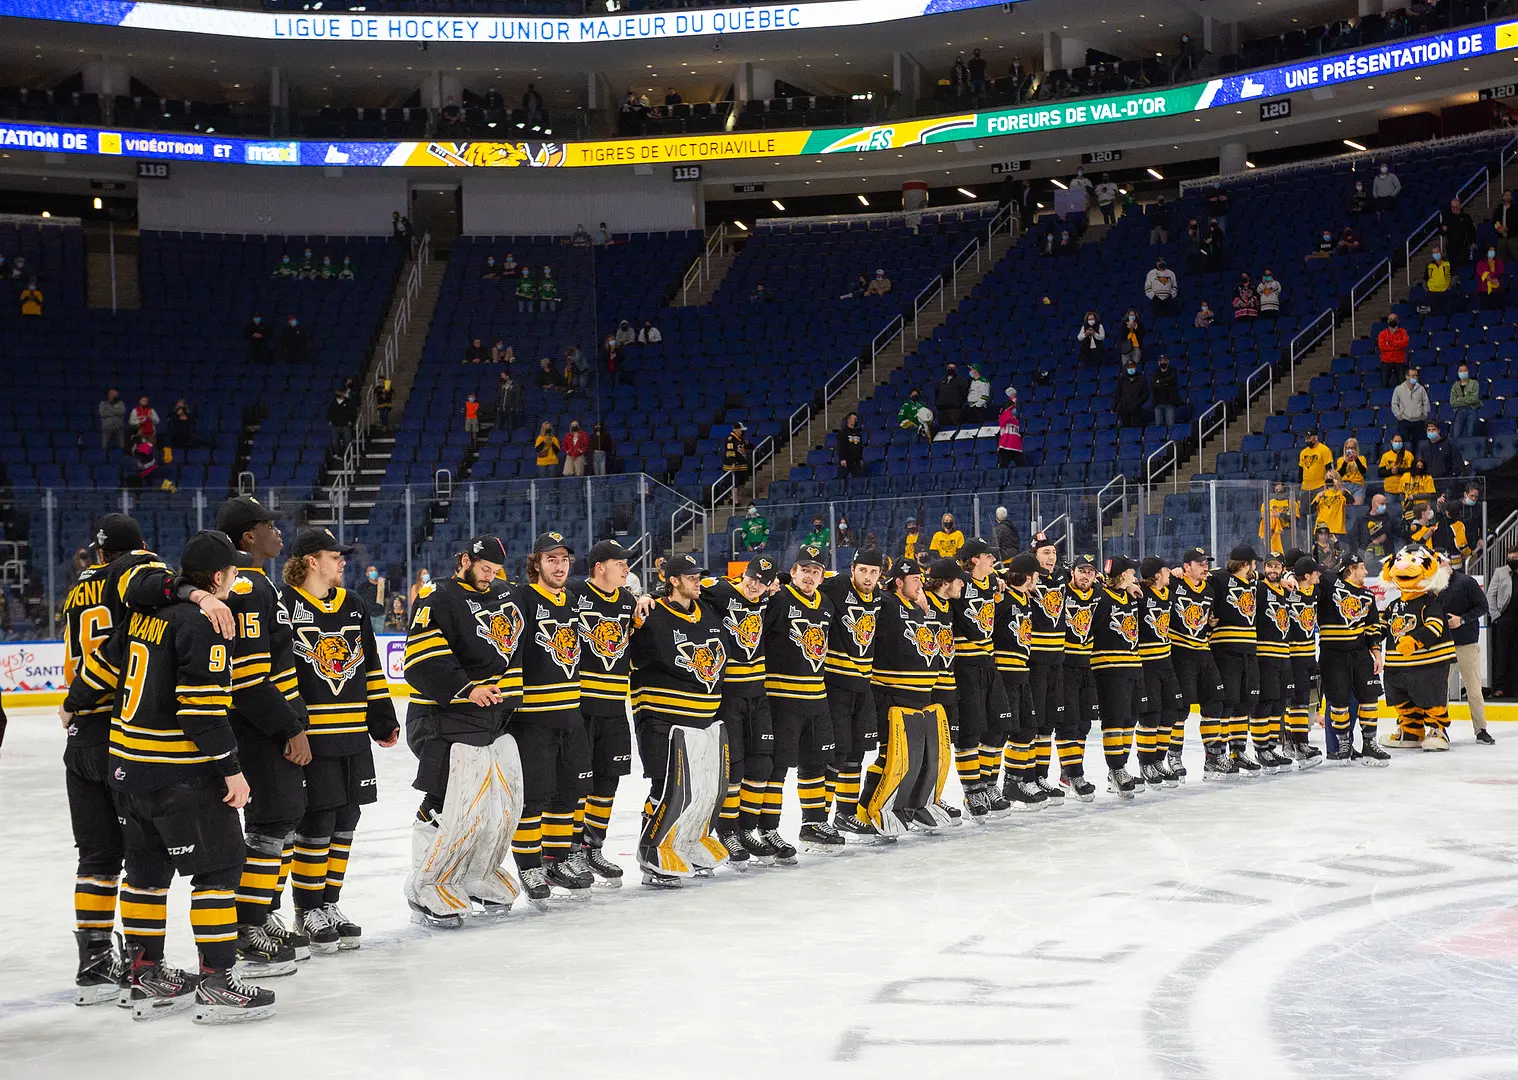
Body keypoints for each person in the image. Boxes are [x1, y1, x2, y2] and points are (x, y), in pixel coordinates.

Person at [64, 529, 276, 1023]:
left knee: (146, 877)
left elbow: (102, 667)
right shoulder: (204, 622)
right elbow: (202, 712)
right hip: (179, 776)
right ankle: (219, 982)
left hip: (127, 772)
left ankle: (144, 976)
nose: (239, 577)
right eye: (235, 571)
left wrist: (73, 703)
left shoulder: (143, 614)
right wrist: (231, 770)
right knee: (219, 873)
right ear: (220, 576)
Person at [280, 530, 398, 948]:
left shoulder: (353, 605)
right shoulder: (285, 606)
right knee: (318, 821)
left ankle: (329, 903)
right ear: (312, 561)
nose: (343, 562)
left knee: (348, 819)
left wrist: (382, 718)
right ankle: (307, 909)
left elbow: (369, 667)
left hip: (352, 735)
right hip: (314, 738)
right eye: (335, 556)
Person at [402, 534, 526, 925]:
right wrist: (469, 688)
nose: (489, 576)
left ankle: (472, 874)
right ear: (465, 560)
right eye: (484, 568)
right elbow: (421, 660)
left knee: (490, 807)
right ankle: (425, 884)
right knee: (444, 803)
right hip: (440, 719)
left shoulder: (503, 595)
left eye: (495, 571)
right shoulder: (437, 594)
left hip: (484, 721)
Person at [210, 497, 311, 973]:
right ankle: (249, 922)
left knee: (278, 820)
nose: (279, 533)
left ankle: (262, 912)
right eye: (270, 526)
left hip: (263, 723)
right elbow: (248, 678)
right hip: (258, 727)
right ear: (248, 536)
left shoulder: (252, 581)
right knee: (273, 821)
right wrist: (290, 727)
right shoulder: (247, 583)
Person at [572, 541, 649, 886]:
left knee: (608, 781)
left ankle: (592, 847)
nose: (626, 569)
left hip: (616, 706)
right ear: (600, 567)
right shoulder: (574, 593)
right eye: (620, 563)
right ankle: (569, 848)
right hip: (579, 707)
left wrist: (650, 596)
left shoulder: (628, 601)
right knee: (577, 782)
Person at [756, 545, 836, 859]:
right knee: (778, 768)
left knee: (816, 764)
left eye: (816, 571)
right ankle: (768, 828)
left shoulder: (826, 604)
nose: (810, 576)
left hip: (817, 698)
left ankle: (814, 823)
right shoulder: (776, 601)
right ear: (793, 571)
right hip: (781, 700)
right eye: (805, 570)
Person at [704, 553, 779, 861]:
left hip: (758, 693)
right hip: (729, 695)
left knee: (761, 764)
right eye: (751, 579)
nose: (754, 586)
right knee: (733, 767)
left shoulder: (768, 597)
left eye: (761, 583)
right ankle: (728, 832)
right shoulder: (721, 590)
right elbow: (687, 589)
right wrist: (648, 598)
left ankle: (748, 829)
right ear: (743, 574)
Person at [818, 549, 886, 842]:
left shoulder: (879, 596)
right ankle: (819, 820)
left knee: (857, 752)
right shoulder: (836, 586)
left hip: (863, 687)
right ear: (853, 568)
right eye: (863, 571)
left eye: (874, 572)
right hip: (836, 687)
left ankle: (846, 814)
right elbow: (802, 586)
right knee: (836, 754)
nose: (868, 577)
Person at [946, 539, 1015, 819]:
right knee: (970, 732)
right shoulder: (958, 582)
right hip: (965, 664)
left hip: (988, 662)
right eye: (988, 556)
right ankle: (972, 791)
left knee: (998, 727)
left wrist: (999, 582)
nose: (993, 560)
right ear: (974, 560)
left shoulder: (991, 582)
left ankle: (989, 784)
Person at [1380, 545, 1457, 752]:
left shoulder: (1430, 602)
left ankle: (1438, 730)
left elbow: (1434, 626)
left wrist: (1415, 641)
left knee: (1430, 697)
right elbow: (1383, 626)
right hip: (1397, 665)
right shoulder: (1393, 605)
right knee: (1401, 698)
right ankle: (1411, 730)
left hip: (1427, 664)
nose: (1403, 567)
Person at [992, 554, 1049, 808]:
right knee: (998, 732)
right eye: (1036, 575)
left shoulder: (1027, 598)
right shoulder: (1002, 598)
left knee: (1027, 728)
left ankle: (1013, 783)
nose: (1039, 579)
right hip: (1003, 672)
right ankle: (986, 787)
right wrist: (995, 583)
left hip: (1022, 672)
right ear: (1028, 576)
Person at [1316, 551, 1383, 763]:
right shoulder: (1330, 585)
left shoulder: (1367, 595)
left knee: (1370, 696)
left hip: (1359, 653)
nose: (1365, 571)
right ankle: (1343, 743)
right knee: (1338, 701)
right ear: (1350, 569)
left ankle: (1370, 743)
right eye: (1361, 567)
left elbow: (1373, 627)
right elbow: (1314, 572)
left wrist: (1377, 654)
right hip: (1333, 654)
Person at [1088, 555, 1146, 798]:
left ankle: (1121, 766)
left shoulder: (1129, 595)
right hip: (1110, 668)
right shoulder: (1101, 598)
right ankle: (1116, 769)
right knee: (1114, 721)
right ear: (1123, 575)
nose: (1135, 577)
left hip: (1132, 666)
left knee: (1129, 720)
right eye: (1132, 573)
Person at [1168, 547, 1222, 783]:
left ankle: (1213, 758)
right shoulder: (1174, 583)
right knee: (1181, 710)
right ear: (1186, 566)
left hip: (1203, 650)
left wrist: (1210, 625)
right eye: (1199, 563)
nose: (1205, 566)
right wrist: (1172, 573)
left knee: (1215, 704)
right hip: (1180, 652)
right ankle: (1173, 756)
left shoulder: (1209, 588)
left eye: (1206, 562)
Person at [1208, 544, 1261, 777]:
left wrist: (1288, 576)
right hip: (1225, 650)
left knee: (1243, 704)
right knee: (1227, 704)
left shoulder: (1252, 581)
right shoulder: (1219, 578)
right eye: (1253, 563)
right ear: (1245, 564)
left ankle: (1237, 752)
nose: (1256, 567)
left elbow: (1274, 574)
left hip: (1248, 652)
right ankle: (1216, 755)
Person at [1135, 556, 1184, 788]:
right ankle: (1145, 763)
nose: (1168, 573)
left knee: (1170, 713)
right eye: (1164, 570)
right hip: (1147, 664)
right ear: (1156, 574)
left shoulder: (1169, 593)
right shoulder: (1138, 595)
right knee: (1151, 716)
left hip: (1166, 662)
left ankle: (1157, 760)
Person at [1056, 553, 1102, 798]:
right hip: (1064, 666)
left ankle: (1067, 772)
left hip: (1087, 665)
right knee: (1068, 724)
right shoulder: (1061, 591)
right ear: (1072, 572)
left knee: (1084, 723)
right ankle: (1075, 773)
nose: (1086, 576)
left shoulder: (1098, 593)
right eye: (1081, 570)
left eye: (1090, 571)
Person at [1249, 555, 1300, 773]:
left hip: (1283, 656)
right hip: (1264, 655)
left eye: (1277, 567)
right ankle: (1261, 750)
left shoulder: (1286, 592)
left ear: (1282, 569)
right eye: (1269, 566)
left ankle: (1270, 747)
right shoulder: (1259, 588)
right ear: (1264, 568)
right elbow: (1248, 578)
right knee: (1264, 704)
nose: (1272, 570)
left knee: (1279, 704)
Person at [1441, 565, 1491, 744]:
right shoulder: (1433, 585)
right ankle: (1439, 728)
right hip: (1442, 645)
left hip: (1466, 643)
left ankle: (1481, 729)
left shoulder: (1466, 582)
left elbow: (1483, 606)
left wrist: (1461, 620)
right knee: (1440, 690)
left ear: (1448, 563)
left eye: (1441, 562)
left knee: (1474, 689)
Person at [1486, 545, 1518, 701]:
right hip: (1504, 617)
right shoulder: (1500, 572)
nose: (1513, 560)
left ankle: (1514, 687)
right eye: (1510, 557)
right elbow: (1491, 595)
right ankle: (1500, 686)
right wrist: (1496, 615)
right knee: (1502, 653)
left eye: (1515, 558)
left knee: (1515, 653)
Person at [1392, 368, 1430, 448]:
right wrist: (1399, 415)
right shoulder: (1399, 389)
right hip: (1404, 421)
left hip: (1418, 421)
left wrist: (1425, 414)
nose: (1415, 378)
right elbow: (1394, 404)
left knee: (1419, 444)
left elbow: (1426, 402)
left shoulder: (1421, 389)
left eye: (1416, 376)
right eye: (1412, 376)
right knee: (1405, 445)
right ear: (1407, 376)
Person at [1298, 429, 1334, 505]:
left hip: (1320, 486)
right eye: (1306, 438)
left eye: (1309, 438)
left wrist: (1329, 486)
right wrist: (1299, 486)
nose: (1306, 441)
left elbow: (1329, 469)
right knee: (1304, 512)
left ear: (1315, 438)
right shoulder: (1303, 452)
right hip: (1305, 488)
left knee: (1319, 511)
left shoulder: (1325, 450)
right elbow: (1300, 471)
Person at [1113, 359, 1150, 430]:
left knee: (1137, 426)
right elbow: (1117, 393)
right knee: (1125, 427)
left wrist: (1138, 402)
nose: (1131, 369)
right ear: (1126, 368)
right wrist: (1117, 405)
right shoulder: (1122, 379)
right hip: (1124, 408)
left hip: (1136, 408)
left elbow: (1146, 393)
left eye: (1132, 367)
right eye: (1129, 367)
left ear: (1135, 367)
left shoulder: (1141, 379)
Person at [1440, 196, 1477, 265]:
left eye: (1455, 207)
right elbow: (1441, 232)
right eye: (1452, 207)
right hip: (1451, 248)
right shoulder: (1448, 218)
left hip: (1463, 247)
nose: (1453, 209)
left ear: (1460, 206)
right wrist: (1443, 229)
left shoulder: (1466, 217)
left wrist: (1473, 242)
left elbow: (1472, 230)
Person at [1260, 481, 1294, 557]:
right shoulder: (1268, 502)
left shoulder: (1291, 502)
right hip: (1272, 532)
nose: (1278, 493)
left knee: (1286, 554)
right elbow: (1262, 515)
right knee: (1273, 554)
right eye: (1277, 490)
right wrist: (1270, 515)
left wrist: (1280, 515)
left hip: (1287, 531)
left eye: (1281, 491)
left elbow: (1295, 518)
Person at [1450, 363, 1482, 442]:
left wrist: (1460, 399)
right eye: (1461, 371)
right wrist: (1467, 400)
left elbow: (1474, 399)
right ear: (1458, 373)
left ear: (1468, 372)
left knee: (1470, 434)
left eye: (1465, 370)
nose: (1463, 372)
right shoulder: (1455, 386)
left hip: (1471, 410)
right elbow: (1453, 402)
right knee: (1456, 435)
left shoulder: (1474, 383)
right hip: (1459, 411)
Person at [996, 387, 1023, 467]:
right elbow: (1009, 411)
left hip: (1017, 447)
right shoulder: (1003, 417)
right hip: (1006, 447)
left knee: (1023, 468)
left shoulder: (1015, 420)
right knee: (1002, 468)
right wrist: (1013, 399)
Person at [1336, 439, 1368, 505]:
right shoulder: (1341, 460)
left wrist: (1356, 459)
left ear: (1356, 449)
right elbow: (1339, 475)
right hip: (1344, 486)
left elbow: (1363, 472)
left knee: (1357, 508)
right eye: (1347, 448)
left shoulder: (1361, 458)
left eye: (1352, 448)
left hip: (1358, 486)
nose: (1349, 450)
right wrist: (1346, 462)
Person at [936, 363, 969, 427]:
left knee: (955, 429)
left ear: (955, 369)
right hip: (942, 410)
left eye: (953, 368)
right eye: (949, 367)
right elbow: (937, 393)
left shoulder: (960, 380)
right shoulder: (942, 380)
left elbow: (964, 393)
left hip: (955, 410)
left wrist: (959, 403)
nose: (951, 369)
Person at [1425, 250, 1456, 315]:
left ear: (1441, 253)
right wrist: (1427, 289)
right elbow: (1425, 278)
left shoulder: (1447, 263)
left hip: (1445, 291)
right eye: (1434, 253)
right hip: (1433, 292)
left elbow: (1454, 275)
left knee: (1447, 311)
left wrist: (1450, 286)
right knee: (1435, 312)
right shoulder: (1429, 265)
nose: (1436, 254)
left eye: (1437, 252)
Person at [838, 412, 865, 479]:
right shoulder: (843, 432)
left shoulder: (858, 433)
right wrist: (842, 459)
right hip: (846, 461)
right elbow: (840, 446)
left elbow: (860, 447)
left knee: (859, 480)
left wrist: (860, 458)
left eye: (856, 419)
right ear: (849, 420)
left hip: (856, 462)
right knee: (841, 480)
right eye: (854, 419)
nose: (856, 420)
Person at [1493, 190, 1517, 261]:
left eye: (1509, 195)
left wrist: (1508, 229)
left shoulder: (1515, 209)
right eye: (1505, 195)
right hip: (1501, 237)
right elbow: (1495, 222)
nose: (1507, 196)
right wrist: (1499, 228)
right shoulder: (1499, 209)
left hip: (1513, 236)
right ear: (1503, 197)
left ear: (1511, 197)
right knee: (1500, 258)